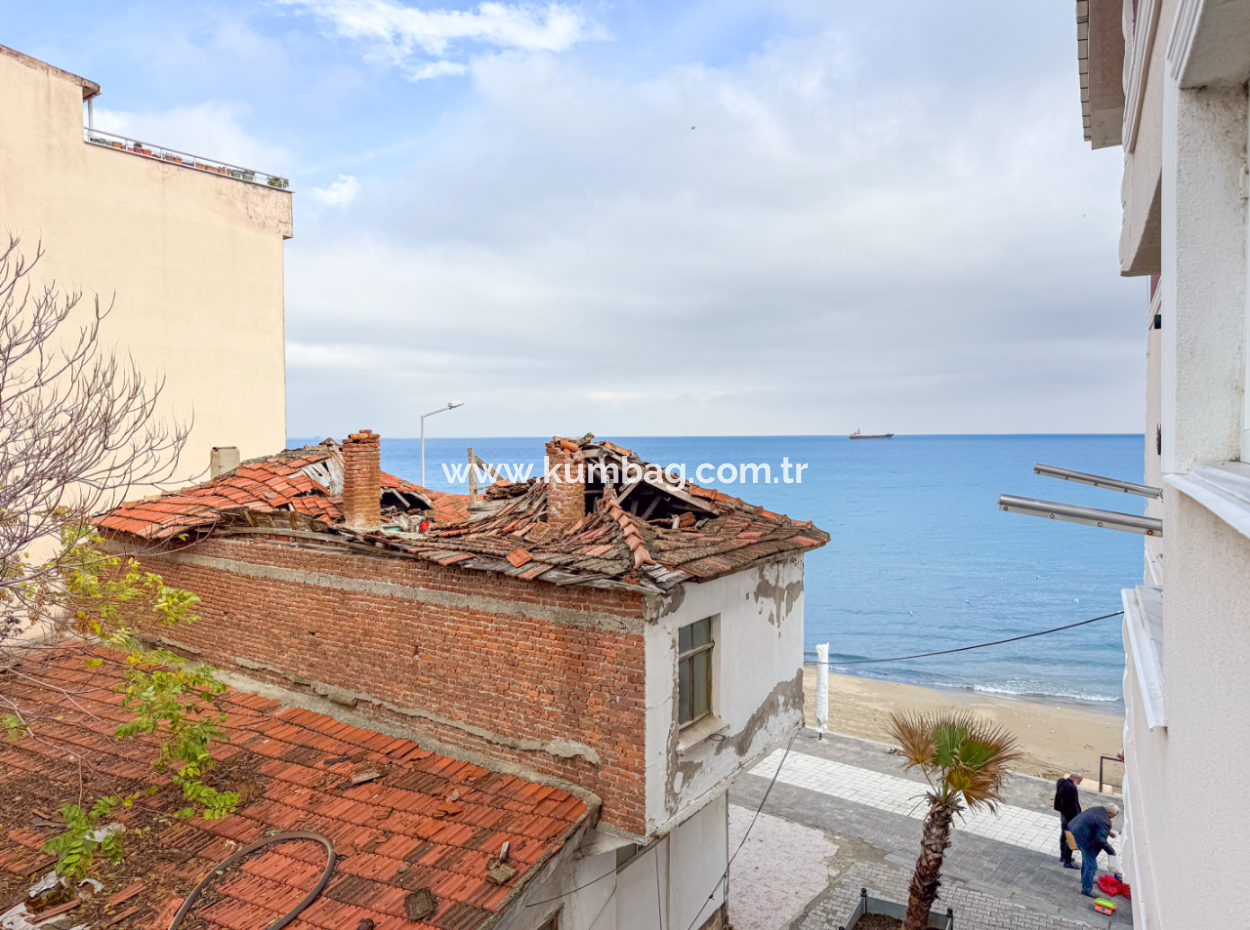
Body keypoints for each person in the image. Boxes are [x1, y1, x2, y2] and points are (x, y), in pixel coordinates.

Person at [1068, 803, 1120, 897]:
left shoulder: (1097, 809)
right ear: (1109, 813)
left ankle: (1085, 879)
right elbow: (1100, 840)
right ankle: (1086, 889)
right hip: (1084, 840)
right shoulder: (1104, 820)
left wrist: (1108, 832)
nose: (1113, 818)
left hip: (1075, 831)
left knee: (1087, 861)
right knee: (1092, 866)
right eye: (1113, 816)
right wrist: (1112, 852)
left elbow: (1095, 824)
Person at [1053, 772, 1083, 869]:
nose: (1079, 783)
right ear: (1076, 778)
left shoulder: (1061, 782)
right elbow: (1072, 804)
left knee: (1064, 834)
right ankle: (1067, 860)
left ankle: (1063, 855)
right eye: (1079, 781)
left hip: (1064, 814)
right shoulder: (1071, 788)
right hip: (1070, 816)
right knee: (1070, 836)